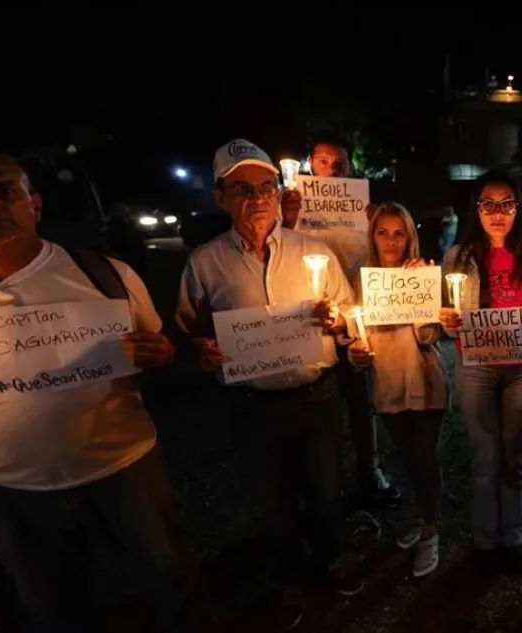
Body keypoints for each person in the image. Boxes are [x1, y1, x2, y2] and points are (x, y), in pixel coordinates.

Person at [0, 154, 196, 632]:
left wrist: (161, 353)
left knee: (167, 575)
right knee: (52, 604)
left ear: (34, 205)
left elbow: (160, 346)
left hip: (123, 467)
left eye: (6, 190)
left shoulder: (104, 276)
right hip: (14, 486)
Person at [175, 139, 362, 629]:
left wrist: (337, 321)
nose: (258, 198)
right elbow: (189, 329)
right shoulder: (204, 263)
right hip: (252, 406)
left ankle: (327, 562)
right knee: (270, 498)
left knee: (324, 490)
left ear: (279, 193)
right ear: (220, 197)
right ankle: (287, 580)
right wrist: (198, 349)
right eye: (242, 189)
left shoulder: (314, 251)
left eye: (266, 187)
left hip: (317, 397)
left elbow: (346, 317)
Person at [439, 169, 522, 575]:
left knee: (515, 453)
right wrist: (446, 321)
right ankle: (484, 539)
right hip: (475, 367)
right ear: (476, 209)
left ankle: (513, 536)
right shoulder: (457, 257)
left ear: (517, 207)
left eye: (506, 204)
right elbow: (441, 311)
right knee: (484, 454)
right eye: (488, 204)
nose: (497, 213)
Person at [280, 130, 400, 510]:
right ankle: (321, 485)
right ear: (309, 165)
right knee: (320, 409)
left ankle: (370, 472)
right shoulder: (291, 209)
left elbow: (388, 253)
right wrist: (287, 219)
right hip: (308, 321)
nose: (331, 170)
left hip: (356, 317)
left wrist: (374, 224)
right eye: (322, 162)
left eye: (340, 163)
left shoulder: (365, 212)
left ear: (351, 169)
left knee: (362, 403)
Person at [347, 203, 446, 577]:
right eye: (382, 232)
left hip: (423, 379)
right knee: (406, 460)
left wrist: (422, 295)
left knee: (425, 458)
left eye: (399, 232)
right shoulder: (360, 278)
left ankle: (431, 531)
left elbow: (429, 335)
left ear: (410, 237)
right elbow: (355, 341)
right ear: (372, 236)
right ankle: (419, 520)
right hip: (386, 383)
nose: (390, 240)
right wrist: (356, 354)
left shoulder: (421, 274)